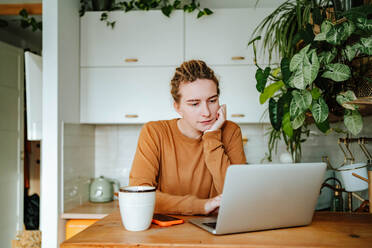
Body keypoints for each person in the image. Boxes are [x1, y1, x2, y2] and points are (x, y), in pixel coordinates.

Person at [129, 60, 247, 215]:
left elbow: (239, 197)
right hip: (166, 229)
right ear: (177, 107)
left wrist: (211, 136)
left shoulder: (230, 131)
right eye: (194, 104)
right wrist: (202, 206)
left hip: (216, 230)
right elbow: (141, 196)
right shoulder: (154, 132)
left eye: (212, 101)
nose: (206, 112)